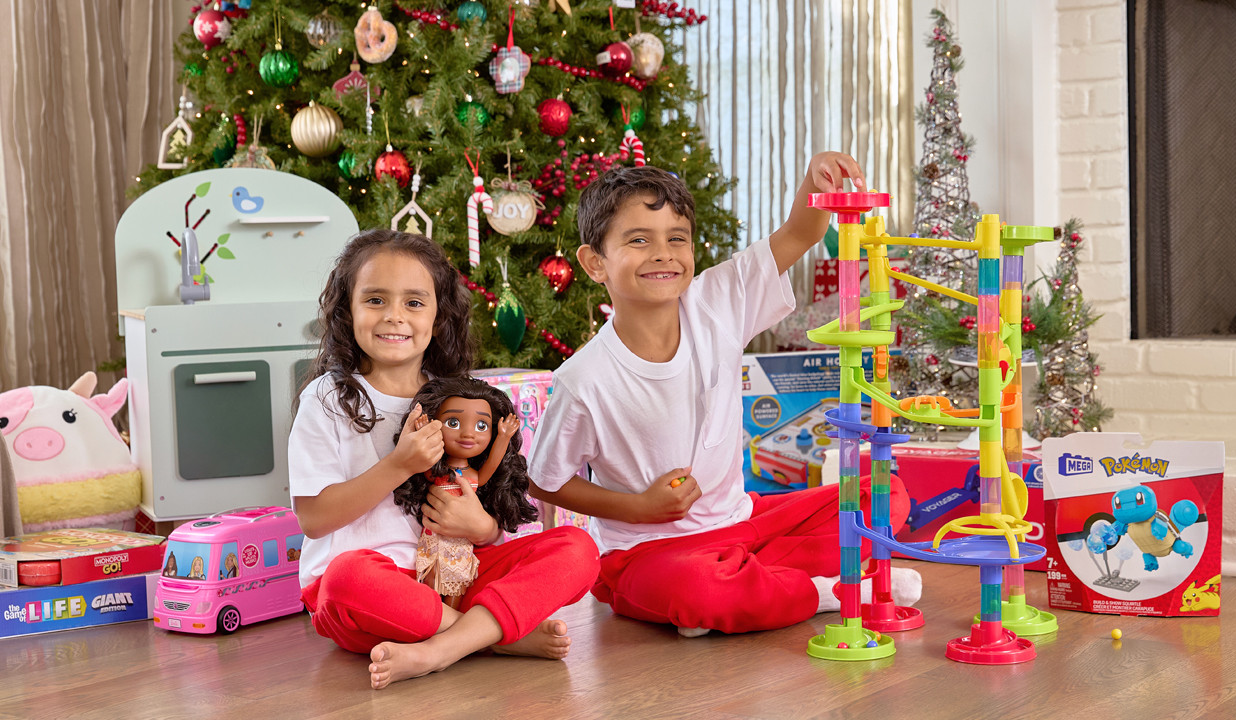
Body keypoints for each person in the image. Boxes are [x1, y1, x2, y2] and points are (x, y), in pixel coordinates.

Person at [527, 157, 920, 637]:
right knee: (699, 588)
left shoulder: (716, 302)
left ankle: (749, 587)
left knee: (885, 494)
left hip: (746, 524)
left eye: (677, 238)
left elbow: (799, 233)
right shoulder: (584, 378)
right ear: (594, 264)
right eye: (638, 240)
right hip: (647, 554)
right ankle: (832, 592)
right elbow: (545, 482)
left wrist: (816, 175)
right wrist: (638, 508)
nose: (663, 253)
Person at [289, 229, 599, 688]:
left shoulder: (458, 398)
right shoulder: (328, 398)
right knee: (345, 578)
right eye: (375, 299)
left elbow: (486, 497)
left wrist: (485, 529)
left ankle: (443, 647)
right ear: (346, 310)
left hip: (456, 576)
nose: (394, 316)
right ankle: (492, 637)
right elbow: (313, 519)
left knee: (578, 550)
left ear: (438, 317)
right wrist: (399, 465)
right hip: (373, 592)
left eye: (414, 303)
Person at [392, 377, 540, 609]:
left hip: (463, 543)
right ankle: (437, 618)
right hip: (435, 539)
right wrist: (423, 433)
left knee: (458, 582)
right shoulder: (437, 473)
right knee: (431, 581)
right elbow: (424, 467)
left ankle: (452, 622)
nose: (468, 434)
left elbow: (490, 467)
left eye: (481, 426)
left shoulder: (473, 475)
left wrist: (502, 437)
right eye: (453, 422)